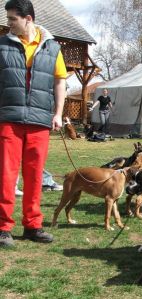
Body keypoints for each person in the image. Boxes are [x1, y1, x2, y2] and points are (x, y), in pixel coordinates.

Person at [0, 0, 67, 247]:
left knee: (35, 175)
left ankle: (32, 226)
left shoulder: (53, 47)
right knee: (6, 175)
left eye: (12, 19)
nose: (8, 23)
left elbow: (60, 81)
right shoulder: (1, 45)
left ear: (28, 19)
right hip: (8, 119)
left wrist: (58, 113)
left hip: (40, 121)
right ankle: (3, 227)